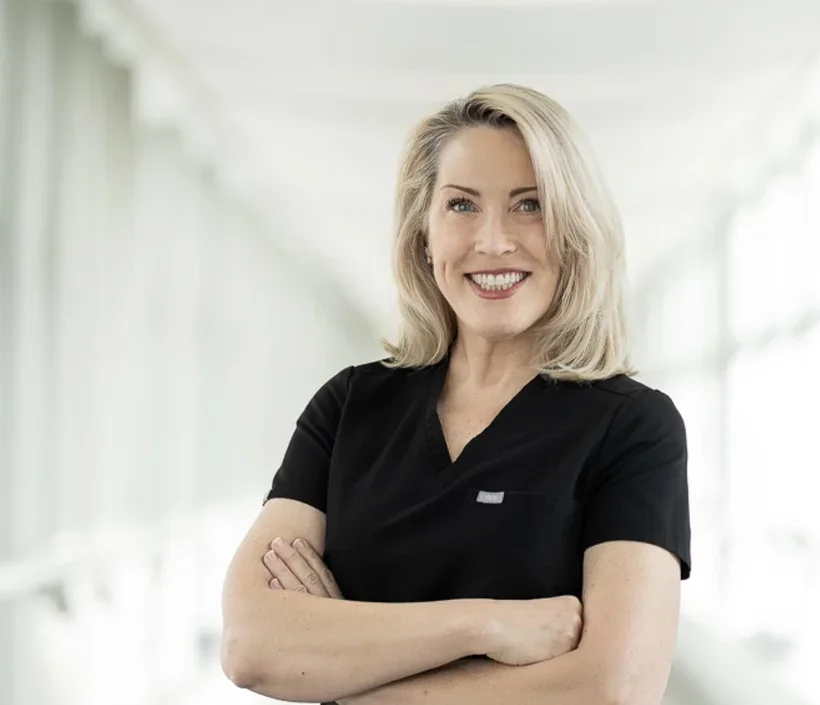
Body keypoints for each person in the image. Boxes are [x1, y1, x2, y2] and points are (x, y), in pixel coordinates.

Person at [220, 83, 691, 705]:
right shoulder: (349, 406)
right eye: (462, 206)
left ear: (577, 228)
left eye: (530, 205)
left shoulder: (633, 428)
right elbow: (252, 646)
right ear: (424, 234)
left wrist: (347, 672)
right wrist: (483, 623)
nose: (493, 242)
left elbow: (613, 689)